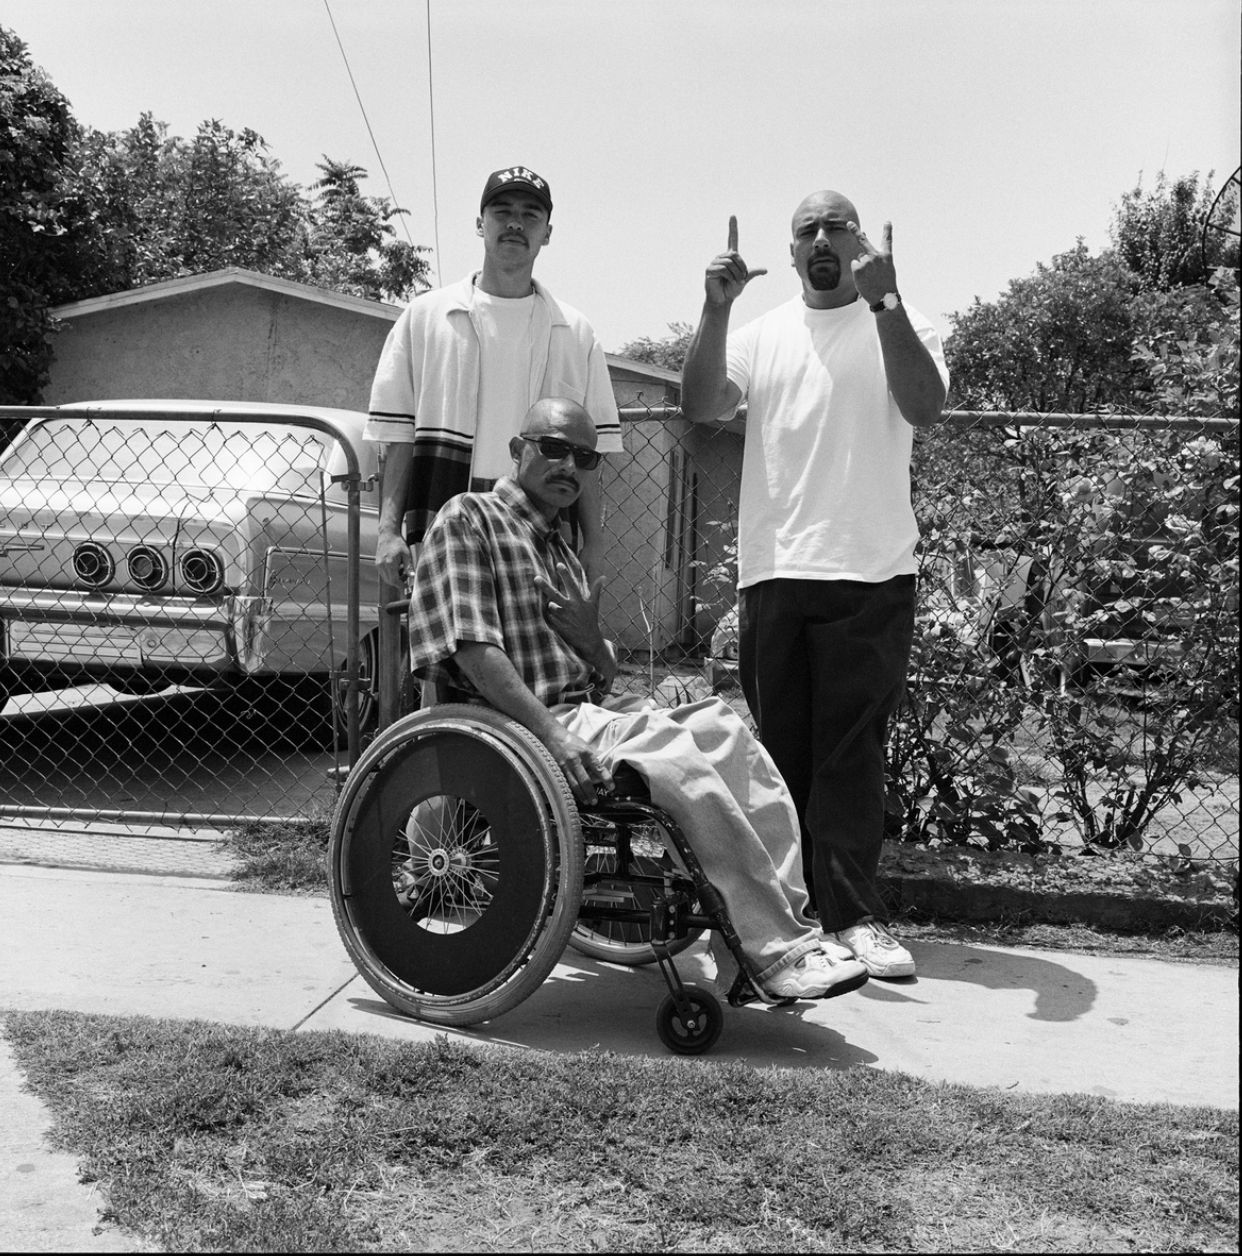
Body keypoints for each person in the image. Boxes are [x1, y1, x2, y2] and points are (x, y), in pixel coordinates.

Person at [406, 396, 870, 1003]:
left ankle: (773, 945)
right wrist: (552, 733)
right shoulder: (470, 518)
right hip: (520, 726)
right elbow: (469, 649)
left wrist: (589, 641)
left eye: (584, 456)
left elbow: (600, 672)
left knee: (725, 729)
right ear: (517, 450)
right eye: (552, 448)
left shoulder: (560, 548)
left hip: (586, 709)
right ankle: (773, 952)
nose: (569, 464)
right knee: (676, 752)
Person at [679, 193, 950, 979]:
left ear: (861, 241)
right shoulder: (760, 335)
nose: (824, 238)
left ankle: (858, 920)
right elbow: (702, 404)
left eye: (838, 226)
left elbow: (926, 407)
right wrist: (714, 307)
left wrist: (887, 300)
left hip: (871, 572)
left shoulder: (905, 320)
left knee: (851, 755)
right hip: (776, 573)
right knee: (782, 757)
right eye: (808, 231)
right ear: (791, 252)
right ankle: (791, 925)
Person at [365, 166, 622, 585]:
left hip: (541, 526)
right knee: (443, 648)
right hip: (441, 512)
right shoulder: (425, 317)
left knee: (536, 648)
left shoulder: (575, 332)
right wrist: (388, 531)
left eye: (531, 215)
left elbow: (593, 454)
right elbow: (398, 437)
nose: (515, 223)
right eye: (502, 212)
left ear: (548, 232)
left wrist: (594, 543)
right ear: (480, 224)